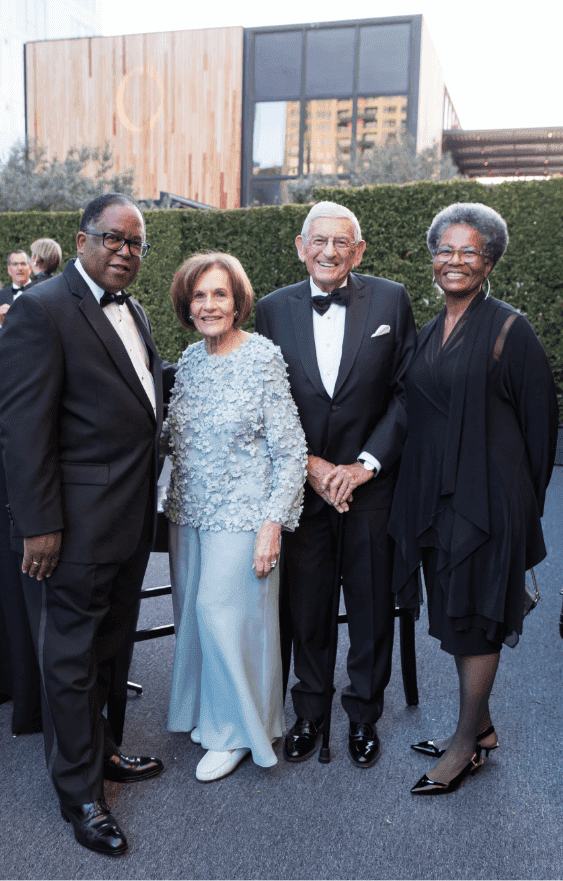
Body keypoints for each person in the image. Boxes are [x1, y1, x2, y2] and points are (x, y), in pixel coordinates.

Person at [0, 193, 176, 854]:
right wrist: (40, 525)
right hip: (69, 529)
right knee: (70, 660)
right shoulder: (40, 310)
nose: (126, 251)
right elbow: (23, 431)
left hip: (127, 521)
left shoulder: (139, 311)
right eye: (114, 238)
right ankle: (79, 794)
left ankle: (102, 753)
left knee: (108, 650)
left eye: (136, 243)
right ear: (81, 240)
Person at [388, 202, 558, 795]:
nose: (454, 261)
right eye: (445, 249)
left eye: (469, 251)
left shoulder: (511, 330)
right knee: (455, 616)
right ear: (432, 258)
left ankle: (464, 745)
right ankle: (479, 727)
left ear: (489, 261)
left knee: (480, 619)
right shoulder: (431, 329)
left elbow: (541, 431)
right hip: (435, 498)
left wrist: (518, 516)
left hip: (490, 506)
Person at [255, 201, 417, 768]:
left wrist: (364, 464)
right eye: (318, 241)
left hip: (371, 485)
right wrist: (313, 466)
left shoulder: (391, 300)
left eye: (341, 242)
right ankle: (309, 711)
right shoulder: (271, 310)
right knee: (308, 604)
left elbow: (405, 393)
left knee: (372, 605)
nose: (329, 252)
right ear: (301, 246)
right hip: (304, 483)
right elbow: (268, 402)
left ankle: (365, 714)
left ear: (359, 250)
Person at [165, 252, 307, 782]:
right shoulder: (192, 359)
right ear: (187, 305)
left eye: (219, 294)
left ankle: (237, 735)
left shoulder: (262, 358)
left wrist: (272, 523)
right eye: (198, 296)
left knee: (221, 614)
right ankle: (218, 716)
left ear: (238, 300)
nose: (208, 305)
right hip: (190, 514)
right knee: (199, 618)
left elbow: (290, 450)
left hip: (245, 515)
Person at [0, 250, 33, 337]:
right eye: (15, 264)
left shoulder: (41, 290)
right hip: (10, 349)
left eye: (23, 263)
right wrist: (0, 321)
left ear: (30, 268)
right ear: (9, 269)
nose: (19, 268)